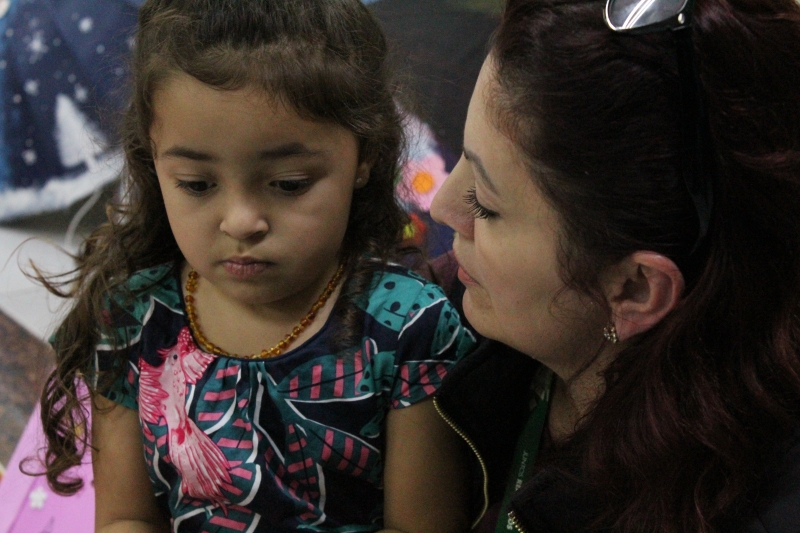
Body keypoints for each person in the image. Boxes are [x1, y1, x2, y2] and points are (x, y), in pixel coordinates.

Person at [35, 1, 475, 531]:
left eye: (289, 184)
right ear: (153, 161)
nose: (241, 222)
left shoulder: (410, 327)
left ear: (365, 158)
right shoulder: (133, 314)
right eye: (197, 184)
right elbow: (125, 518)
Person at [429, 0, 800, 531]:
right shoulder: (441, 318)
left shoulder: (749, 509)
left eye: (485, 204)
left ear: (634, 289)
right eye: (465, 158)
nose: (442, 208)